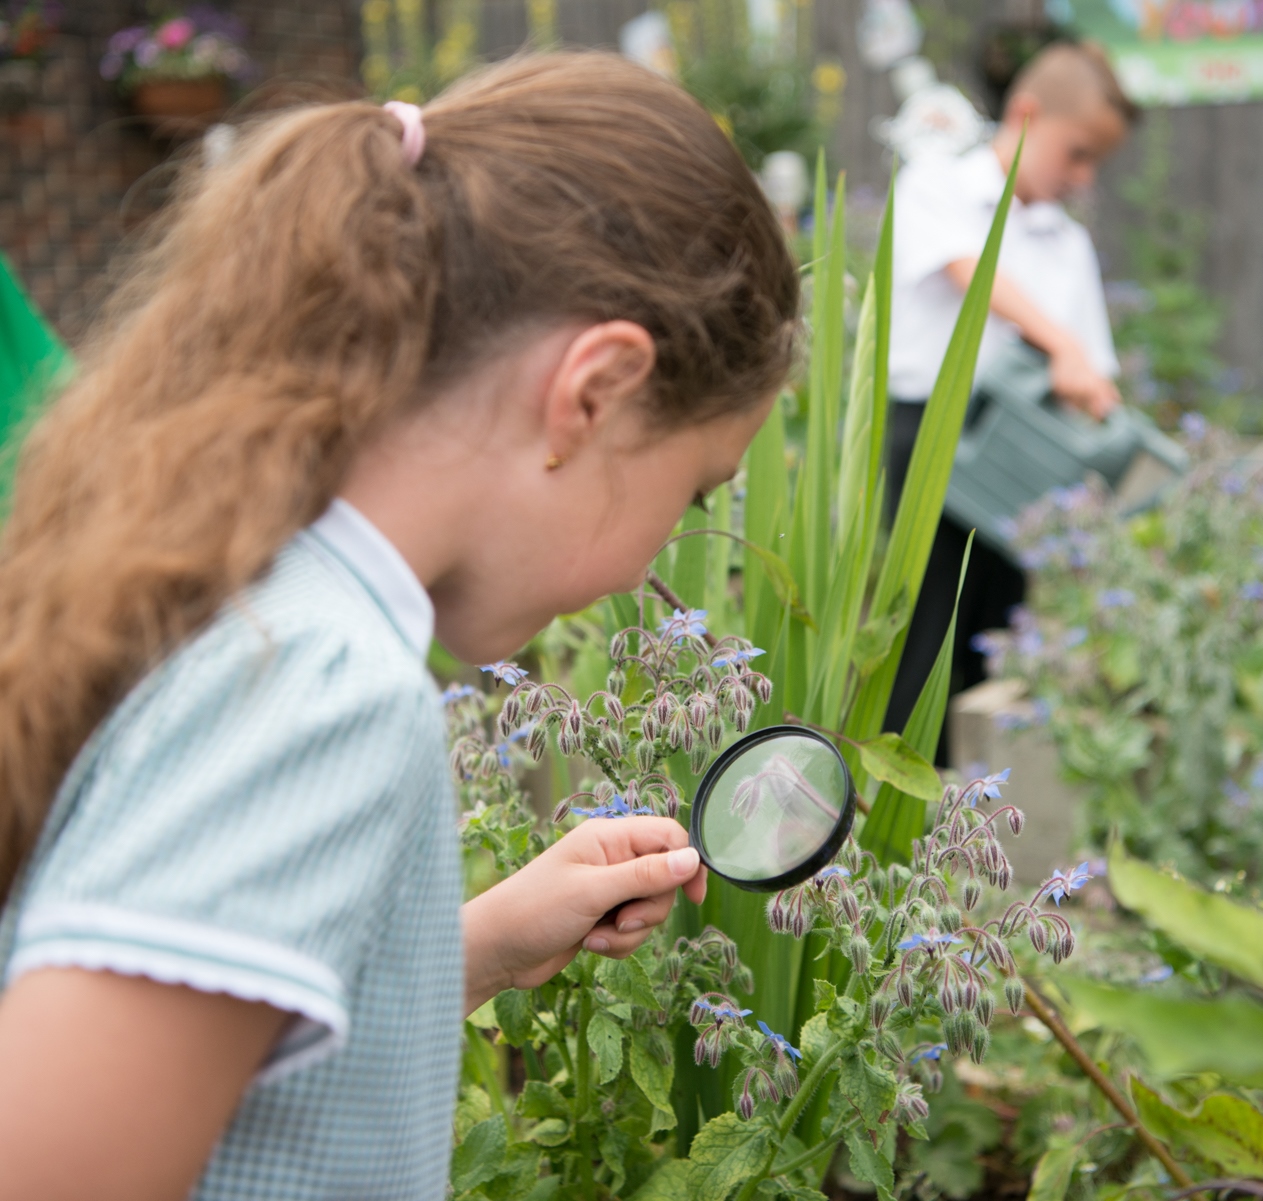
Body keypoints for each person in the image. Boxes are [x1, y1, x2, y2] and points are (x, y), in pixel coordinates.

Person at [0, 53, 797, 1200]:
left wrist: (467, 949)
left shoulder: (232, 586)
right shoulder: (327, 688)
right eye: (694, 492)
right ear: (592, 394)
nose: (651, 566)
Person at [883, 41, 1139, 759]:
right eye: (1076, 154)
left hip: (1021, 447)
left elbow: (1088, 363)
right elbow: (972, 273)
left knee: (1001, 630)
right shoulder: (937, 186)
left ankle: (983, 807)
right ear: (1025, 115)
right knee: (923, 634)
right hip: (935, 436)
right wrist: (1059, 343)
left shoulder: (1065, 240)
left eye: (1095, 164)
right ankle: (904, 826)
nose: (1081, 178)